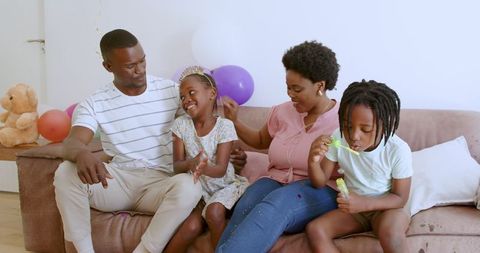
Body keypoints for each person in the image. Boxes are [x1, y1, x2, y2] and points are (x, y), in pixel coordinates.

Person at [53, 29, 246, 253]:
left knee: (190, 186)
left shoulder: (172, 91)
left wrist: (231, 152)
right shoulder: (94, 102)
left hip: (161, 181)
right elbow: (72, 142)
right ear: (108, 66)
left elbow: (206, 125)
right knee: (65, 171)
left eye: (142, 61)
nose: (140, 70)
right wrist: (82, 153)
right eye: (130, 66)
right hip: (118, 181)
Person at [216, 41, 341, 253]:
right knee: (247, 203)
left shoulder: (342, 121)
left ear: (320, 86)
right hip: (276, 180)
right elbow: (260, 141)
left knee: (276, 203)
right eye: (288, 87)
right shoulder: (282, 112)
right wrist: (235, 120)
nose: (290, 94)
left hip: (321, 188)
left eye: (297, 88)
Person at [306, 80, 412, 253]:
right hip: (355, 210)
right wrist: (312, 161)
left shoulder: (397, 149)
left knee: (391, 233)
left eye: (365, 129)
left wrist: (364, 203)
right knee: (315, 229)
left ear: (384, 125)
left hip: (387, 208)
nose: (354, 136)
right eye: (348, 126)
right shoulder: (338, 138)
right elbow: (319, 181)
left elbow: (400, 198)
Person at [170, 66, 249, 250]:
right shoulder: (180, 125)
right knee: (190, 227)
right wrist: (191, 163)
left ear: (211, 93)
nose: (186, 99)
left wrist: (201, 166)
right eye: (182, 97)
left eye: (191, 93)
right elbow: (177, 166)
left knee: (214, 213)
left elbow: (221, 170)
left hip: (225, 185)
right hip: (200, 190)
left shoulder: (225, 126)